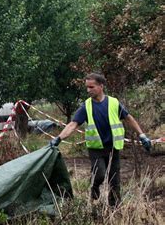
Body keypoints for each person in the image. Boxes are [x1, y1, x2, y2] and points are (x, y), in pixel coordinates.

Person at [50, 73, 152, 207]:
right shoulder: (86, 106)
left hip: (113, 147)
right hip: (96, 148)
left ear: (101, 86)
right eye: (87, 87)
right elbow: (73, 124)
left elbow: (129, 118)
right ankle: (94, 189)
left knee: (114, 181)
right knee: (99, 174)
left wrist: (142, 135)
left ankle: (114, 209)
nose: (88, 90)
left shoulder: (114, 103)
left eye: (91, 87)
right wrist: (59, 138)